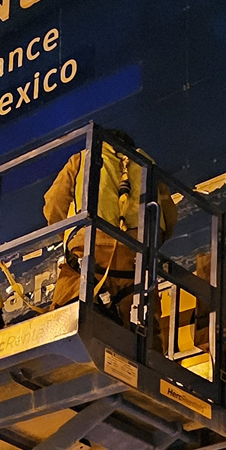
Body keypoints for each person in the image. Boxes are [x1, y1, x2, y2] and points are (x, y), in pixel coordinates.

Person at [42, 128, 177, 323]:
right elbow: (169, 216)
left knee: (68, 312)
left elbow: (53, 204)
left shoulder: (81, 159)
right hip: (136, 256)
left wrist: (70, 236)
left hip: (89, 248)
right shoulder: (149, 167)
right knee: (144, 329)